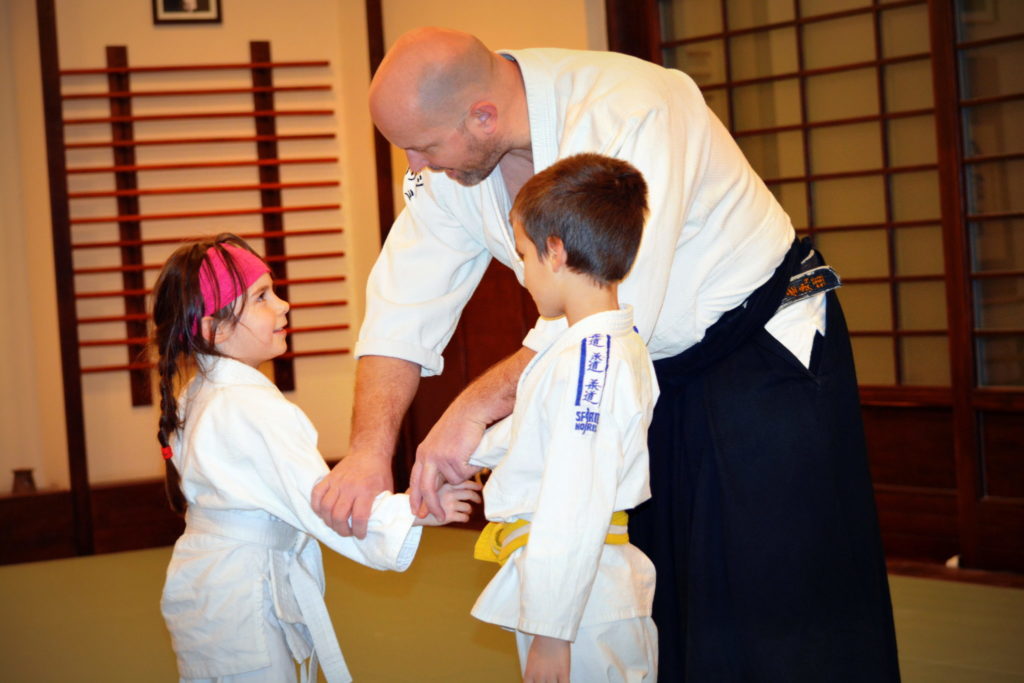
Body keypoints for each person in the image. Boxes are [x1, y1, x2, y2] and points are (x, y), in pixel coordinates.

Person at [311, 27, 900, 681]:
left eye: (422, 147)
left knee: (777, 599)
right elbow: (404, 304)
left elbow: (613, 311)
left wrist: (471, 411)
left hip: (756, 350)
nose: (415, 166)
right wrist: (368, 452)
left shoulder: (630, 109)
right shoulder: (453, 163)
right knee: (658, 600)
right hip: (642, 373)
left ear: (483, 116)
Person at [151, 233, 480, 683]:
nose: (283, 304)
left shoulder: (204, 393)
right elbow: (320, 500)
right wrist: (413, 509)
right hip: (241, 597)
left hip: (215, 587)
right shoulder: (246, 406)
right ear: (215, 330)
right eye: (261, 297)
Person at [468, 153, 658, 682]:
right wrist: (466, 459)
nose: (523, 275)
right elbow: (537, 428)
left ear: (555, 251)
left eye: (524, 255)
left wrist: (552, 634)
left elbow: (575, 495)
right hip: (574, 589)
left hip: (581, 603)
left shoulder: (594, 360)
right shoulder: (591, 346)